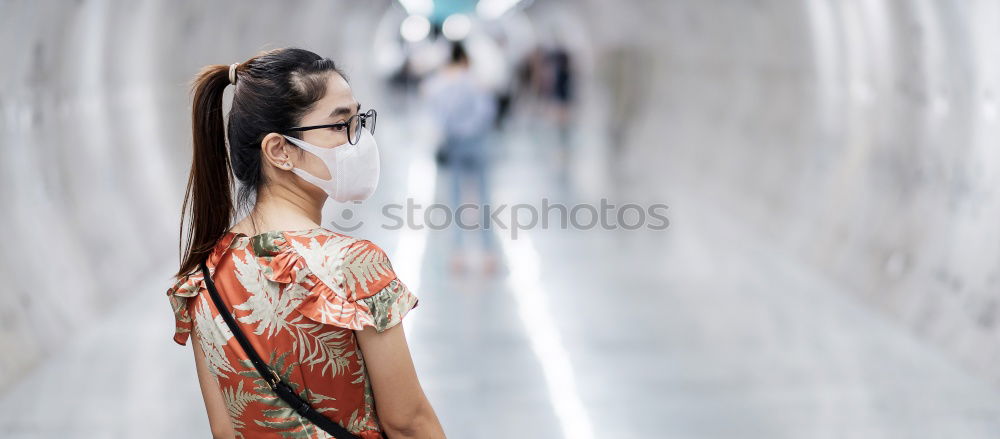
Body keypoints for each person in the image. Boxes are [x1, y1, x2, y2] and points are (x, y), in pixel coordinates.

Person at [166, 48, 446, 439]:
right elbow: (408, 423)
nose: (358, 139)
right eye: (339, 125)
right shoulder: (353, 265)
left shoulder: (203, 278)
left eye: (359, 120)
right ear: (279, 151)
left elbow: (225, 430)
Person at [421, 42, 498, 274]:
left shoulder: (437, 84)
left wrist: (453, 132)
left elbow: (436, 117)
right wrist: (470, 130)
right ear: (466, 59)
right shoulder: (476, 81)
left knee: (454, 200)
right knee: (482, 198)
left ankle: (457, 254)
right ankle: (488, 253)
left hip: (453, 146)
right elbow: (487, 112)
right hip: (477, 145)